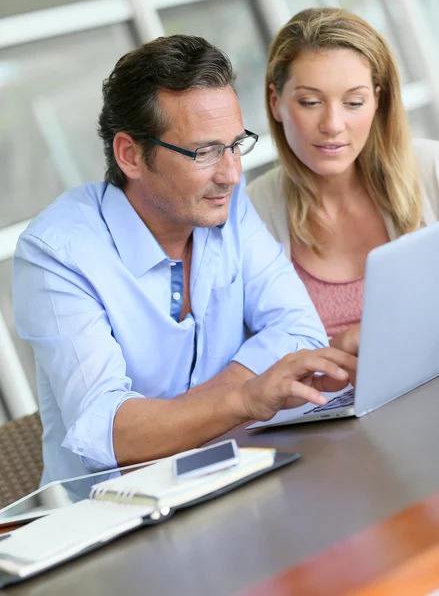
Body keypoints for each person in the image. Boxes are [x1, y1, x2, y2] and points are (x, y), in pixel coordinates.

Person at [13, 35, 356, 484]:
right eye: (205, 151)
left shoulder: (225, 206)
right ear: (131, 155)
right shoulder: (57, 254)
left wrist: (190, 414)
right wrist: (244, 398)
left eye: (235, 144)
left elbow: (299, 331)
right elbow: (106, 432)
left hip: (242, 474)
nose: (232, 173)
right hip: (117, 523)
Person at [247, 7, 439, 355]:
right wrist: (336, 348)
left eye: (354, 102)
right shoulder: (253, 214)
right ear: (276, 103)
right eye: (310, 101)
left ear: (377, 101)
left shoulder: (432, 170)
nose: (333, 124)